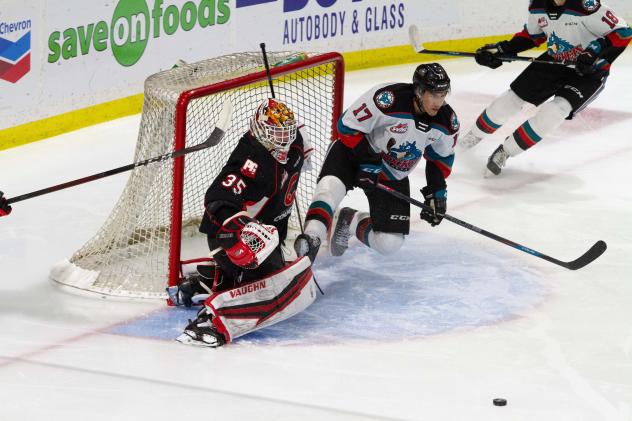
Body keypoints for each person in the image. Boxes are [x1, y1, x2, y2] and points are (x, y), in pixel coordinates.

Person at [170, 98, 318, 348]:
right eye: (277, 134)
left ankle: (210, 281)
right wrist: (244, 230)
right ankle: (209, 320)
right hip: (231, 238)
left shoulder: (296, 141)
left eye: (287, 133)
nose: (284, 140)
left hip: (268, 235)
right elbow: (217, 200)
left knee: (272, 270)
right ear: (260, 131)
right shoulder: (250, 161)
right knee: (266, 283)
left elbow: (297, 144)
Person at [294, 63, 459, 261]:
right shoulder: (388, 99)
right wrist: (369, 162)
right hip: (353, 154)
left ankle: (349, 221)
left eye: (443, 95)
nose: (439, 102)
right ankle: (311, 240)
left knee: (389, 243)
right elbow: (347, 127)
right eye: (433, 95)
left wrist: (437, 192)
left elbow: (440, 157)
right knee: (328, 190)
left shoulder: (447, 121)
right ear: (419, 91)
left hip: (392, 173)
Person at [460, 0, 631, 175]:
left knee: (556, 110)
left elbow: (623, 32)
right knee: (512, 99)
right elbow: (534, 35)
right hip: (555, 60)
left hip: (589, 72)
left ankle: (506, 151)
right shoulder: (537, 5)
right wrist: (504, 49)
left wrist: (595, 51)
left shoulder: (585, 5)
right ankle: (471, 138)